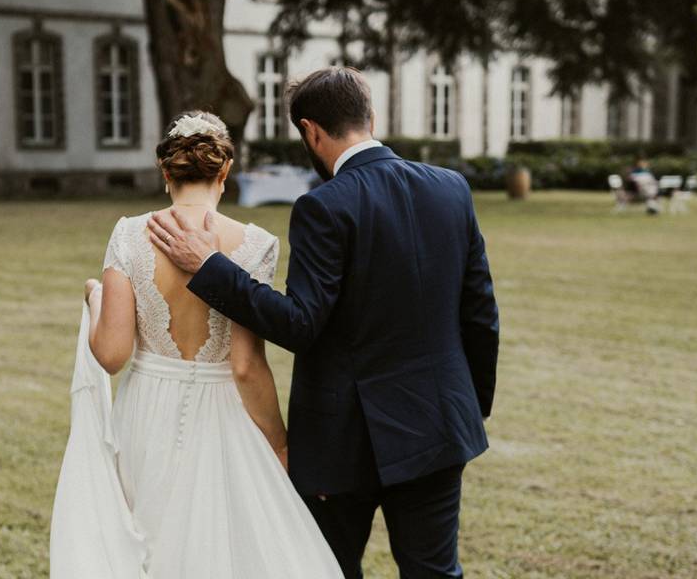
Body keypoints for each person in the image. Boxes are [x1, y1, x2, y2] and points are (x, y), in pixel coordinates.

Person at [148, 67, 500, 578]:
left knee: (327, 570)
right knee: (435, 573)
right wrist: (469, 404)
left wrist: (210, 267)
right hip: (439, 425)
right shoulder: (451, 189)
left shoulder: (323, 206)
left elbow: (300, 324)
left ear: (310, 131)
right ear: (370, 116)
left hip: (344, 443)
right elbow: (481, 313)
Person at [54, 111, 344, 578]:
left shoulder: (129, 233)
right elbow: (247, 366)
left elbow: (110, 355)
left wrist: (95, 297)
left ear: (165, 171)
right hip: (223, 413)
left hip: (145, 412)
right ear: (224, 172)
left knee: (145, 547)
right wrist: (278, 444)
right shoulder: (255, 244)